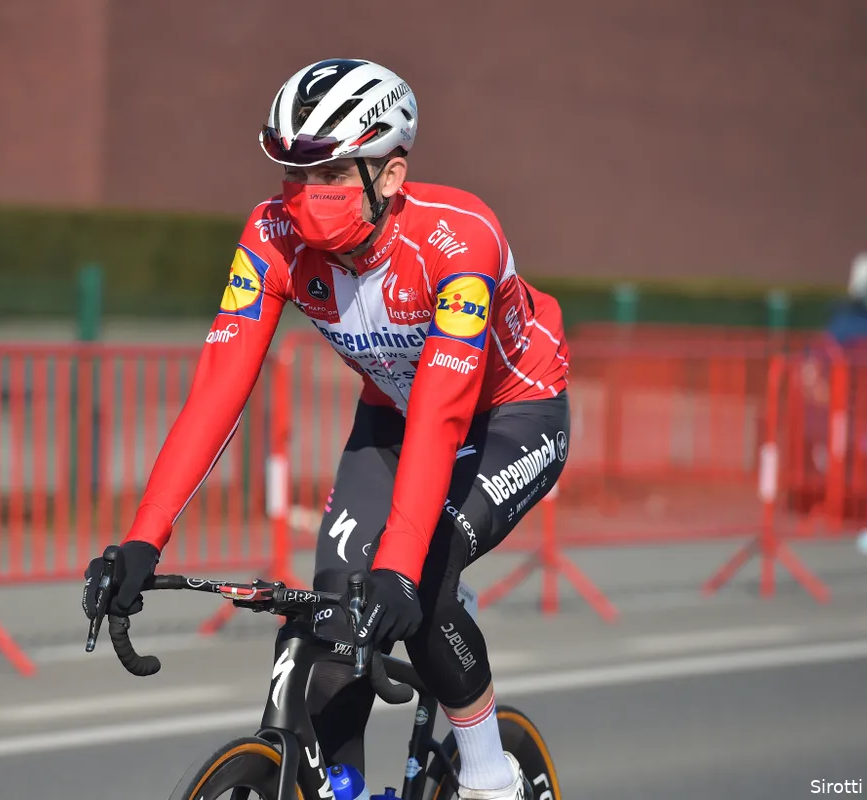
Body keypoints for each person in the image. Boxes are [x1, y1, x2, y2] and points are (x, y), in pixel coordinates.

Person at [82, 58, 570, 800]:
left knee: (424, 578)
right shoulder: (270, 234)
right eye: (292, 173)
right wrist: (144, 539)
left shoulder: (460, 242)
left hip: (511, 413)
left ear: (392, 174)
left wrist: (402, 567)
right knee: (337, 609)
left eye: (331, 175)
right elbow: (218, 390)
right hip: (392, 416)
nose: (307, 197)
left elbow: (443, 413)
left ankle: (489, 776)